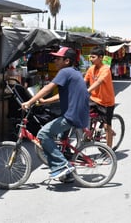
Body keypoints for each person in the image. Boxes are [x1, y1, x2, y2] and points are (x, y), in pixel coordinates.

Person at [21, 46, 89, 181]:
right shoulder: (74, 72)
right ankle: (67, 174)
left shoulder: (65, 72)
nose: (55, 61)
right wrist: (45, 102)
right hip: (77, 114)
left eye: (58, 59)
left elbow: (48, 88)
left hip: (71, 116)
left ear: (67, 61)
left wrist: (29, 102)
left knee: (43, 134)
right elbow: (60, 96)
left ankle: (62, 165)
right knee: (60, 141)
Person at [84, 46, 116, 148]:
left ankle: (109, 153)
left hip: (106, 102)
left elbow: (99, 82)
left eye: (93, 57)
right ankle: (90, 134)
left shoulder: (105, 69)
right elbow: (84, 81)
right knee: (85, 117)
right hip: (93, 99)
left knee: (107, 127)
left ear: (101, 57)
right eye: (90, 57)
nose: (91, 59)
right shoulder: (91, 69)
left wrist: (87, 91)